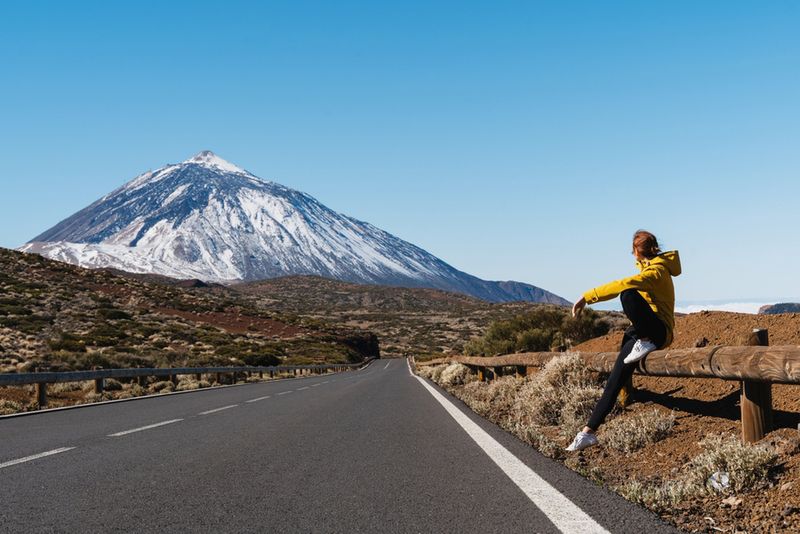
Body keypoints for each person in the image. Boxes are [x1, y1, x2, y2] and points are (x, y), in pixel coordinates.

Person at [566, 230, 681, 452]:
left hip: (660, 333)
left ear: (637, 251)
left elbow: (624, 283)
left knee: (627, 294)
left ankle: (648, 339)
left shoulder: (657, 272)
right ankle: (588, 432)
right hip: (642, 332)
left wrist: (587, 297)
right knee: (616, 378)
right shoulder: (649, 268)